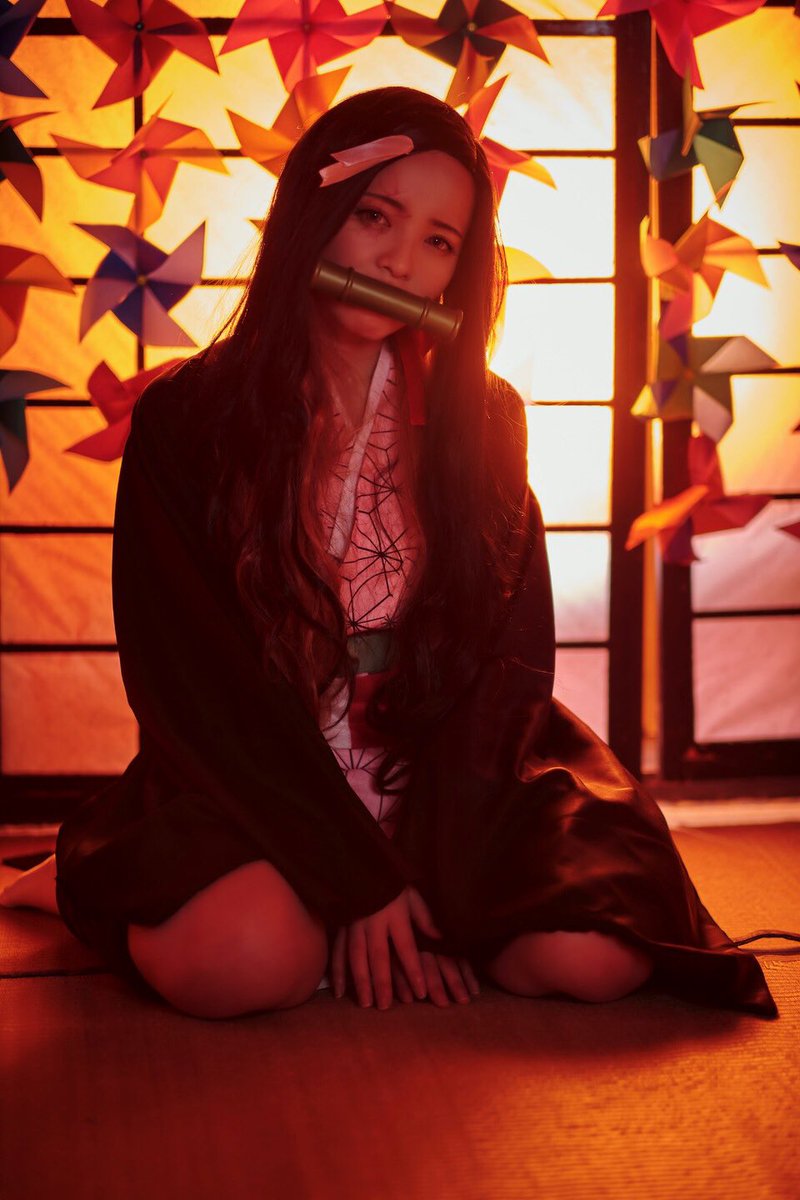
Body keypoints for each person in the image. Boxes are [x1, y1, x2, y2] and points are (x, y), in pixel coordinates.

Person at [1, 87, 776, 1021]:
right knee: (251, 965)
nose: (402, 262)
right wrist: (357, 878)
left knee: (596, 956)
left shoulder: (485, 418)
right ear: (315, 212)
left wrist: (435, 863)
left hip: (445, 765)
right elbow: (191, 681)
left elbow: (507, 660)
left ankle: (395, 900)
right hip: (259, 767)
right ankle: (79, 878)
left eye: (440, 242)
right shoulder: (187, 418)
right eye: (375, 217)